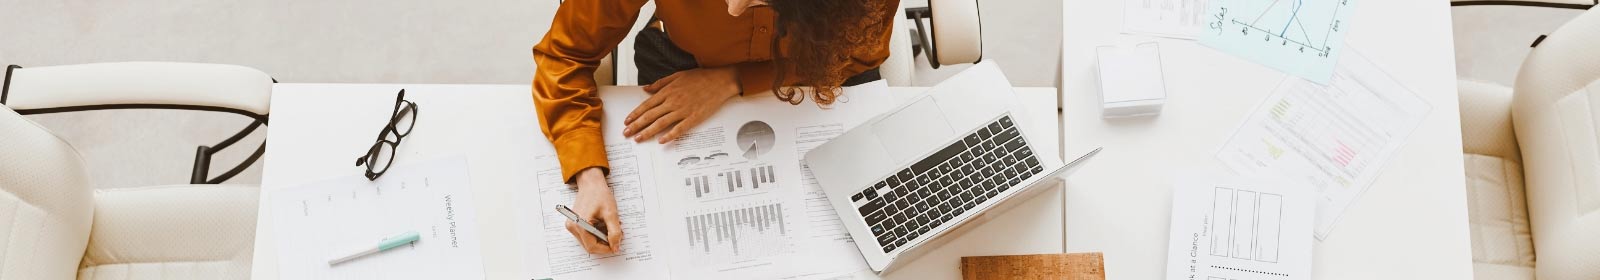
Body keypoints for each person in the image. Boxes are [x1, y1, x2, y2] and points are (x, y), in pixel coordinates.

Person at [532, 0, 899, 254]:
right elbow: (564, 57)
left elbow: (863, 53)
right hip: (681, 60)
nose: (733, 8)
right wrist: (589, 175)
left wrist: (732, 80)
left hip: (814, 62)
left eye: (760, 1)